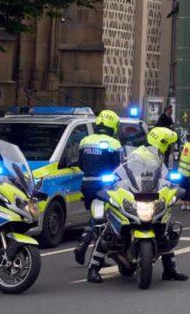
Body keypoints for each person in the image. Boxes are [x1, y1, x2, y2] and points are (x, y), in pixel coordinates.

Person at [88, 127, 187, 283]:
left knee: (164, 230)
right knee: (109, 231)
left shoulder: (158, 158)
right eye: (169, 144)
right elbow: (124, 170)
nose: (170, 148)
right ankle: (93, 268)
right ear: (162, 143)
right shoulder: (138, 154)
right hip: (134, 195)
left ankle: (170, 269)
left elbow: (163, 177)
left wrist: (171, 184)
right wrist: (113, 180)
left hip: (149, 197)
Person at [74, 110, 123, 265]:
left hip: (87, 184)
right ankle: (92, 252)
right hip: (106, 186)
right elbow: (120, 167)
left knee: (95, 217)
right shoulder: (114, 143)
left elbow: (80, 164)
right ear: (113, 126)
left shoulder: (85, 141)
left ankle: (84, 246)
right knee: (106, 220)